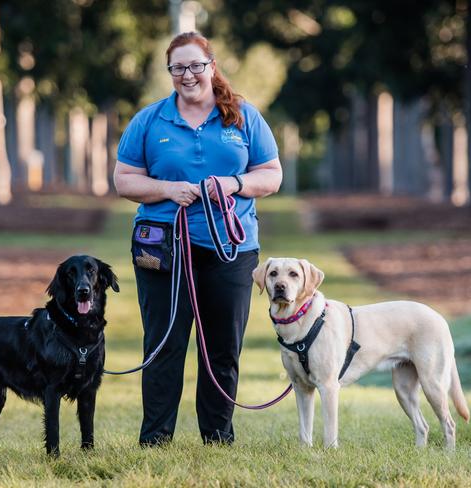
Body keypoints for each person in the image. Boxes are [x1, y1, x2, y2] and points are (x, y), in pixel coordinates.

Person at [113, 31, 282, 446]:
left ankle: (218, 436)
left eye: (195, 65)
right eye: (177, 68)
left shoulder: (243, 116)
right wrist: (168, 190)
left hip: (231, 249)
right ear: (169, 71)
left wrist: (234, 183)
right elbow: (123, 180)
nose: (187, 75)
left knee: (223, 349)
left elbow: (272, 174)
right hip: (164, 249)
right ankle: (155, 438)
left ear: (211, 66)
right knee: (163, 344)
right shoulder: (150, 120)